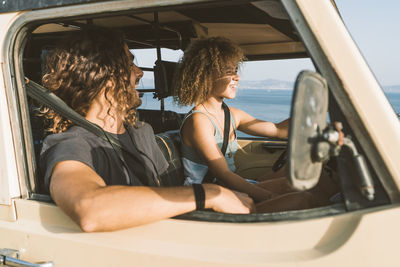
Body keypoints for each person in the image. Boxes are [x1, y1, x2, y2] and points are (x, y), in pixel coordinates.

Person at [39, 29, 254, 232]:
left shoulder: (141, 132)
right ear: (103, 76)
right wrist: (208, 194)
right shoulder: (70, 144)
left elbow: (161, 193)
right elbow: (87, 209)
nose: (140, 72)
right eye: (130, 65)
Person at [173, 37, 321, 211]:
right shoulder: (199, 121)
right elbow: (224, 174)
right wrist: (270, 197)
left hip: (228, 189)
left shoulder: (232, 115)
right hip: (207, 198)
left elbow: (278, 130)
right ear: (206, 76)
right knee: (302, 199)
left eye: (236, 70)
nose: (237, 77)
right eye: (229, 71)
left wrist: (314, 113)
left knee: (306, 182)